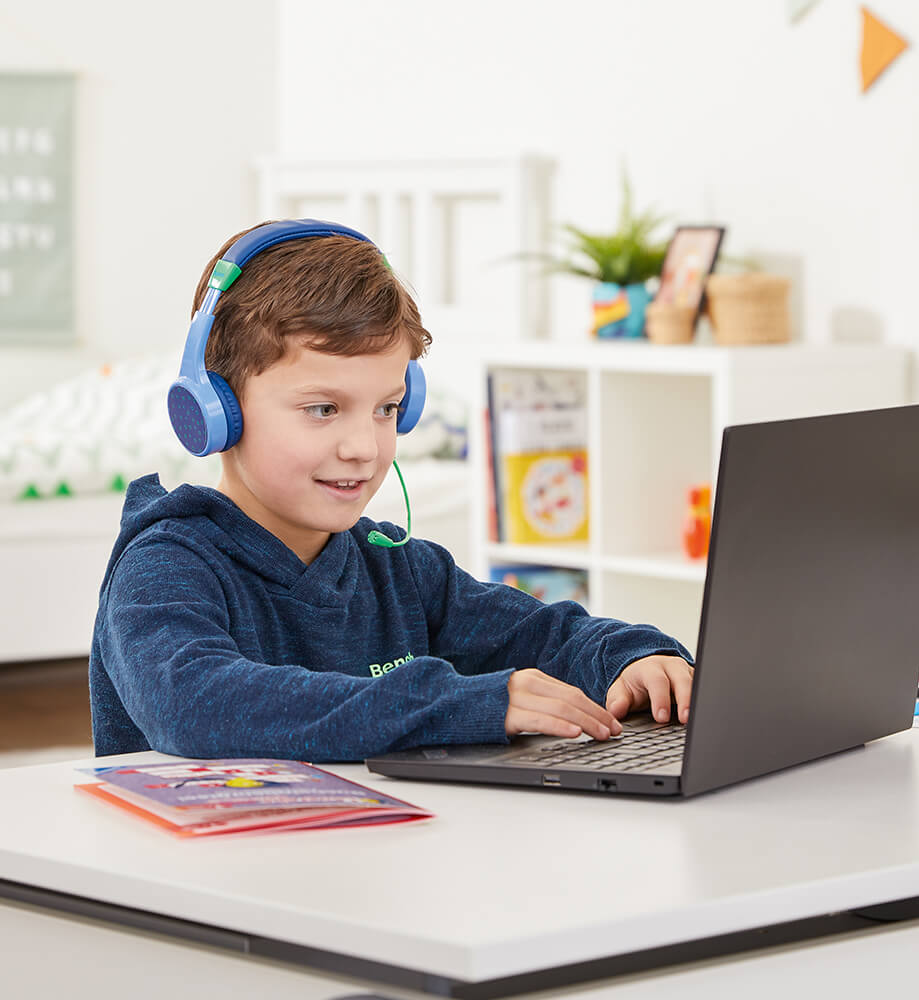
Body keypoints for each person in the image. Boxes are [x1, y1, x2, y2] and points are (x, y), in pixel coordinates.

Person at [89, 221, 694, 760]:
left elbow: (544, 635)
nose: (364, 446)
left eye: (386, 408)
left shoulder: (399, 569)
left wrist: (635, 656)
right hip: (203, 871)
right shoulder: (165, 566)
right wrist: (453, 703)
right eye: (323, 408)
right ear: (215, 412)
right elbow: (195, 703)